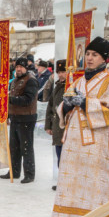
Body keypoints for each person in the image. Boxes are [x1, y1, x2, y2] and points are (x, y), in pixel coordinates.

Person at [51, 36, 109, 217]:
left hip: (97, 145)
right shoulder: (79, 80)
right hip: (74, 145)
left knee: (94, 189)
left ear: (104, 58)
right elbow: (64, 106)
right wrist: (66, 105)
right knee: (72, 188)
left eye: (95, 55)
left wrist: (85, 103)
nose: (90, 58)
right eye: (88, 54)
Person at [4, 57, 39, 183]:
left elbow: (28, 99)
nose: (18, 69)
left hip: (26, 118)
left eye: (21, 67)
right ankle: (14, 171)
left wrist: (10, 99)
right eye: (17, 66)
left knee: (26, 147)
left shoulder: (31, 81)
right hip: (15, 117)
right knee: (14, 147)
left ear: (26, 68)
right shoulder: (14, 81)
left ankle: (29, 174)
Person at [45, 60, 67, 190]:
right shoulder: (58, 86)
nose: (61, 75)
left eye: (63, 71)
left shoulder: (70, 86)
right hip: (58, 127)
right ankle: (62, 182)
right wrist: (48, 125)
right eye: (59, 72)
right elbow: (50, 106)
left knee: (66, 157)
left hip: (65, 128)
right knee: (60, 156)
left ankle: (66, 183)